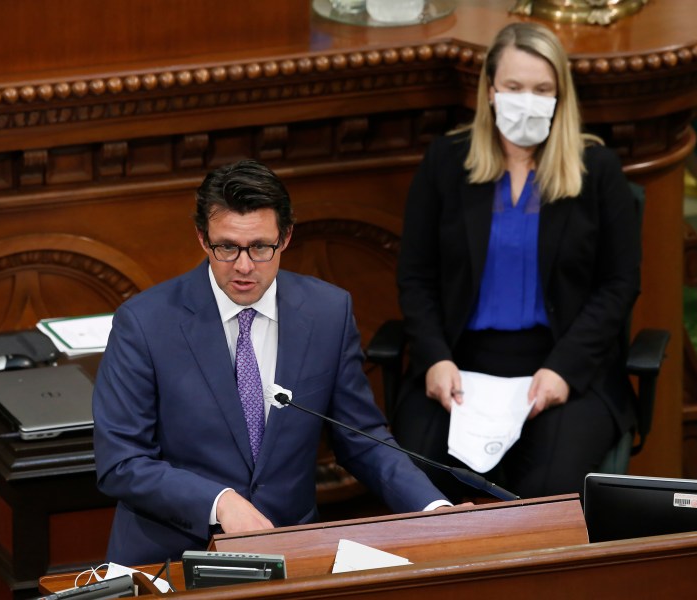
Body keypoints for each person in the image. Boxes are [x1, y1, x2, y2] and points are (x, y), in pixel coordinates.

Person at [93, 160, 450, 565]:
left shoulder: (327, 312)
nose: (244, 266)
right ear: (201, 238)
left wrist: (432, 509)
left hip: (289, 552)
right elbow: (121, 461)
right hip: (172, 556)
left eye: (261, 247)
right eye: (227, 247)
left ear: (285, 238)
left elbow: (361, 435)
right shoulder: (145, 322)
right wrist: (219, 502)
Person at [391, 22, 641, 502]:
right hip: (461, 363)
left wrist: (563, 370)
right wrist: (434, 358)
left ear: (560, 97)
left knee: (547, 494)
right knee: (419, 484)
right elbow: (415, 276)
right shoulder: (446, 162)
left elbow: (618, 284)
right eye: (514, 87)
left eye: (542, 89)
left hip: (563, 363)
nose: (527, 100)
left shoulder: (598, 171)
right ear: (490, 91)